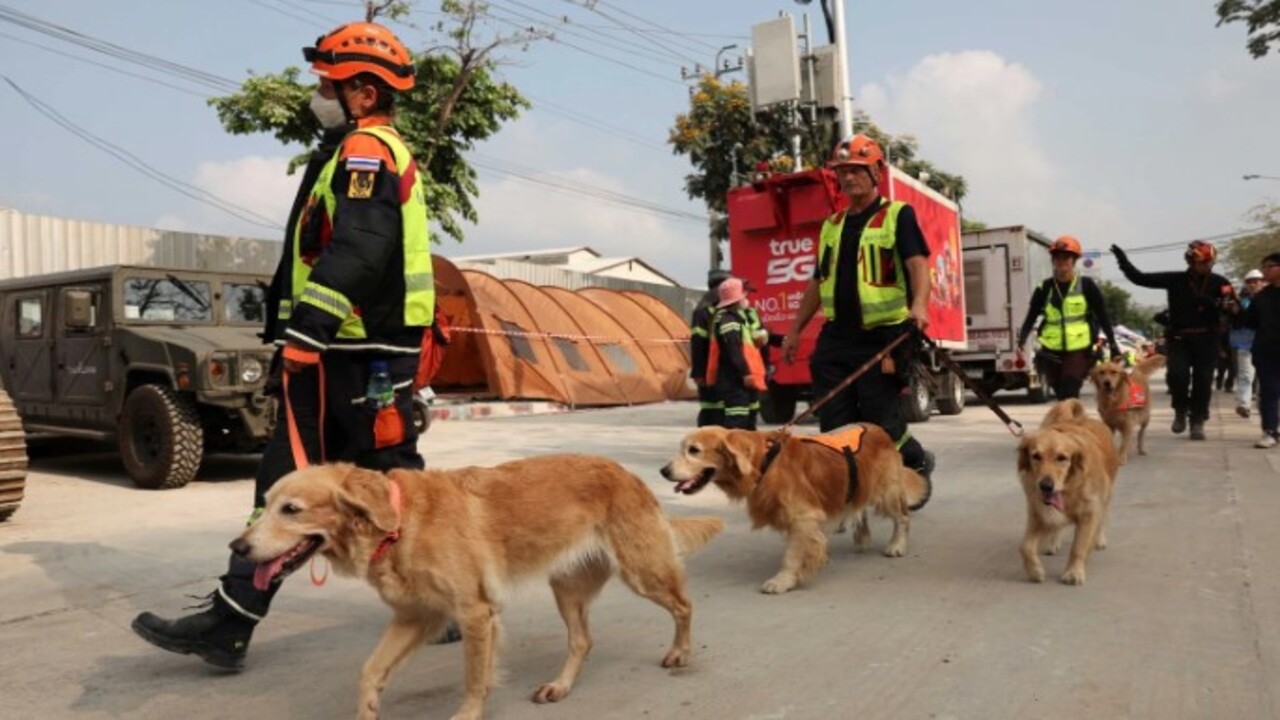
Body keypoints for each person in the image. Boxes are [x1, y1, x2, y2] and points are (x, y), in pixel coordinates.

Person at [131, 21, 444, 670]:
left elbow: (360, 250)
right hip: (352, 353)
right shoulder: (350, 148)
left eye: (328, 82)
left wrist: (307, 333)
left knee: (366, 487)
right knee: (337, 482)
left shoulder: (366, 152)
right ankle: (235, 617)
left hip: (353, 353)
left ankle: (433, 602)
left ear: (362, 91)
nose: (319, 93)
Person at [780, 135, 935, 482]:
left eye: (857, 170)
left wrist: (919, 306)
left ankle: (916, 459)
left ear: (877, 171)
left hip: (884, 338)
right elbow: (818, 282)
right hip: (837, 338)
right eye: (843, 171)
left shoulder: (898, 215)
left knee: (881, 423)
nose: (848, 178)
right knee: (834, 423)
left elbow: (917, 264)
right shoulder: (831, 226)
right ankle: (847, 488)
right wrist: (794, 331)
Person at [1111, 241, 1236, 440]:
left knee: (1203, 380)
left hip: (1207, 338)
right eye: (1198, 262)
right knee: (1178, 375)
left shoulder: (1220, 283)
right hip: (1180, 337)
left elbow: (1234, 309)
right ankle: (1180, 409)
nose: (1203, 266)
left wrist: (1216, 305)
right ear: (1189, 261)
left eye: (1206, 263)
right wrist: (1122, 261)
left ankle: (1198, 419)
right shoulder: (1175, 280)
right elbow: (1140, 278)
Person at [1016, 235, 1121, 399]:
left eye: (1066, 257)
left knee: (1069, 389)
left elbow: (1102, 315)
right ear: (1052, 260)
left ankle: (1070, 423)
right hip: (1051, 350)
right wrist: (1021, 340)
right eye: (1057, 257)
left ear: (1074, 260)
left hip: (1078, 349)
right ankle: (1072, 422)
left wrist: (1113, 343)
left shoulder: (1086, 285)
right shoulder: (1044, 288)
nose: (1061, 261)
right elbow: (1031, 316)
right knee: (1061, 394)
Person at [708, 277, 767, 429]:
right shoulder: (728, 320)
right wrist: (745, 373)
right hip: (735, 380)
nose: (747, 300)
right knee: (737, 423)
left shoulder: (738, 318)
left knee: (749, 421)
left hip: (743, 380)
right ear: (737, 299)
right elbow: (733, 350)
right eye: (745, 296)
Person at [1242, 253, 1280, 448]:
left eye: (1269, 266)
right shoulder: (1261, 297)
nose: (1264, 270)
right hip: (1267, 351)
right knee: (1270, 391)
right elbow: (1249, 322)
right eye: (1263, 266)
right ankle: (1270, 431)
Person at [689, 269, 731, 426]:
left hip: (714, 369)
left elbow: (697, 344)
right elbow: (698, 343)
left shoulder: (703, 308)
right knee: (714, 410)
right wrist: (699, 372)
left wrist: (698, 372)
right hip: (716, 369)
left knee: (712, 409)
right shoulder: (708, 309)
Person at [1231, 269, 1266, 418]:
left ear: (1263, 282)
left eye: (1256, 281)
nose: (1253, 284)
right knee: (1246, 375)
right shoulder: (1242, 302)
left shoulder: (1272, 298)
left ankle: (1263, 405)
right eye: (1250, 282)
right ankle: (1244, 404)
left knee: (1265, 378)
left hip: (1268, 345)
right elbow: (1237, 324)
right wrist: (1234, 311)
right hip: (1246, 344)